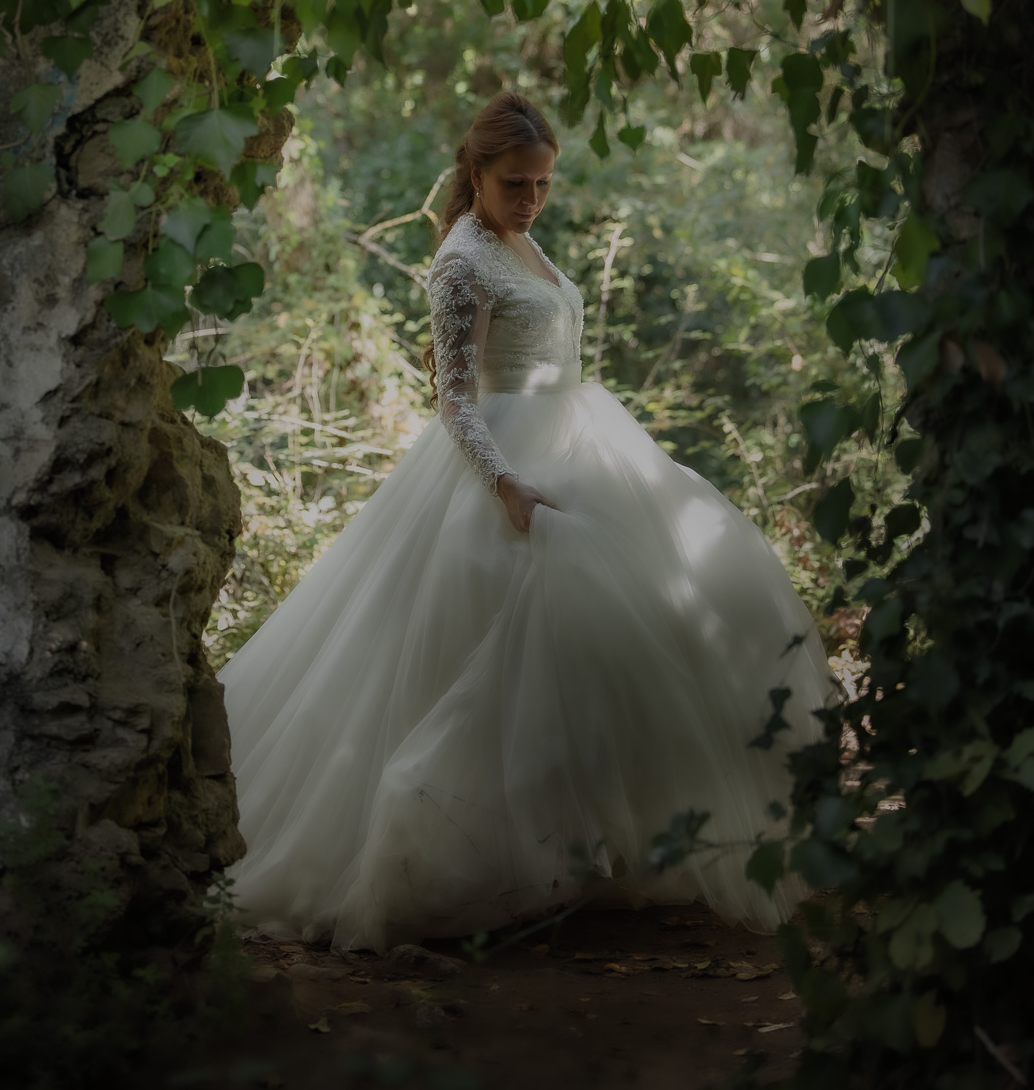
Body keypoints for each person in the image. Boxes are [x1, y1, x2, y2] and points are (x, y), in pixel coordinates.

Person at [217, 90, 837, 953]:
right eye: (516, 183)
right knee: (497, 651)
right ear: (476, 175)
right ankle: (489, 861)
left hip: (582, 441)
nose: (532, 198)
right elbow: (453, 396)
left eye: (543, 184)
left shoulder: (521, 240)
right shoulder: (462, 259)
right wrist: (505, 482)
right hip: (503, 461)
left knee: (649, 618)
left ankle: (599, 847)